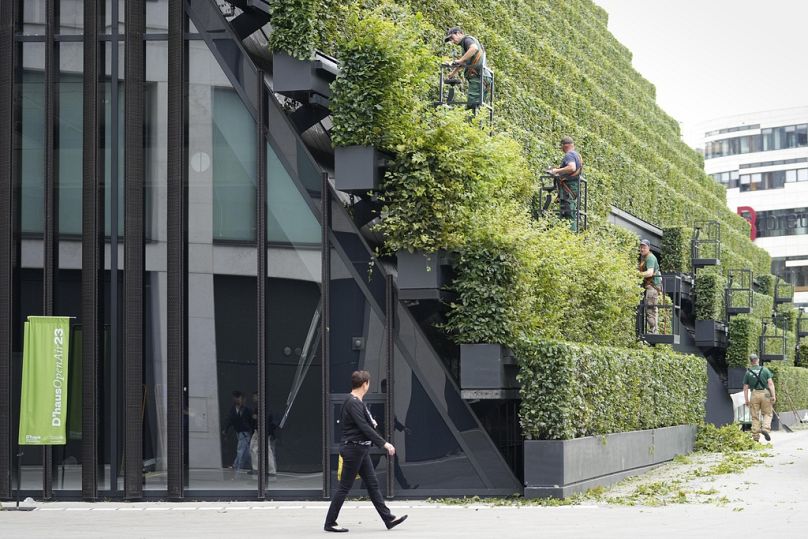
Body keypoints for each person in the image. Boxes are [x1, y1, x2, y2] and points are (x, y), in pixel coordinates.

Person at [323, 371, 408, 533]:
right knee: (344, 488)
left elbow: (365, 422)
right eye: (368, 383)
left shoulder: (355, 401)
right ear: (365, 384)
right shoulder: (353, 402)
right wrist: (385, 444)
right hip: (354, 449)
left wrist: (372, 422)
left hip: (359, 449)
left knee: (372, 484)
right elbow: (364, 427)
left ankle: (388, 519)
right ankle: (330, 523)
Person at [444, 27, 491, 113]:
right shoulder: (465, 45)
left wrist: (459, 60)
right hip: (484, 77)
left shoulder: (466, 40)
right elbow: (465, 62)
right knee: (479, 107)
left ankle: (471, 125)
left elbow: (474, 48)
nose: (452, 41)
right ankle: (477, 125)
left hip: (479, 77)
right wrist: (453, 73)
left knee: (473, 106)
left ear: (459, 33)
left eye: (452, 38)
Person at [547, 136, 583, 232]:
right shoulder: (577, 155)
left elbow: (572, 168)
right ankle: (569, 235)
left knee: (567, 213)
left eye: (562, 146)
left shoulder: (569, 155)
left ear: (565, 146)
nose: (561, 149)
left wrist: (556, 170)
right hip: (573, 188)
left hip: (568, 188)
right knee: (569, 211)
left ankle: (569, 236)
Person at [743, 353, 776, 442]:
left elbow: (745, 388)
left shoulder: (748, 372)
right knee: (768, 413)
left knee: (755, 416)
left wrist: (746, 400)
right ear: (757, 360)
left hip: (754, 394)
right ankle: (765, 428)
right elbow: (770, 384)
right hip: (765, 393)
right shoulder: (765, 370)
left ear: (751, 361)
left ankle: (755, 436)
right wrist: (773, 396)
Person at [221, 390, 253, 476]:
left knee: (240, 450)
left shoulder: (247, 410)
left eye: (239, 398)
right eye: (236, 398)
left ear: (242, 399)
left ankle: (236, 468)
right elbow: (230, 420)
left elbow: (252, 421)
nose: (237, 400)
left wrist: (253, 431)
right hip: (238, 433)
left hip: (245, 433)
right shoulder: (233, 410)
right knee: (247, 453)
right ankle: (255, 467)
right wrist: (225, 429)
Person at [249, 392, 278, 478]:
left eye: (255, 396)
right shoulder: (259, 407)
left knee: (262, 449)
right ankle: (264, 469)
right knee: (255, 448)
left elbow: (266, 417)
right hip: (259, 430)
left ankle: (266, 470)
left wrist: (256, 417)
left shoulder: (263, 406)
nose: (253, 398)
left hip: (262, 431)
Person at [638, 239, 662, 334]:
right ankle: (653, 329)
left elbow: (650, 273)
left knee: (650, 309)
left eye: (644, 247)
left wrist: (638, 274)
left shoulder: (650, 258)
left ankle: (653, 330)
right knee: (651, 309)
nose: (642, 249)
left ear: (649, 248)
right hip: (651, 286)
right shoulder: (645, 258)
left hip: (652, 287)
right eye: (641, 247)